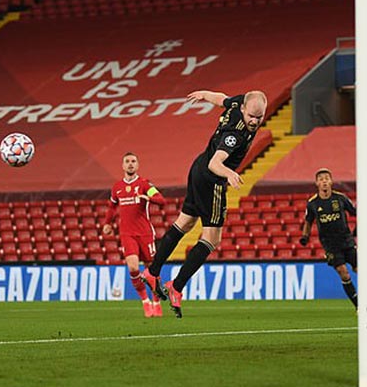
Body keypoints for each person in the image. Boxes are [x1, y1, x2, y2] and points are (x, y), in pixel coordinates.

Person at [141, 90, 267, 318]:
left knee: (185, 223)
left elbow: (221, 99)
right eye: (251, 116)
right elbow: (215, 163)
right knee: (212, 239)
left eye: (258, 118)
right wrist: (228, 173)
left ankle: (153, 271)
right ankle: (176, 286)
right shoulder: (235, 134)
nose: (254, 122)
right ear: (243, 110)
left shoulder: (240, 102)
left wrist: (204, 94)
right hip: (212, 178)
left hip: (197, 170)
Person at [102, 152, 166, 317]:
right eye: (127, 161)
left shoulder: (145, 184)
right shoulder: (117, 187)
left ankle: (156, 301)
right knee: (132, 267)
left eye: (133, 161)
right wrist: (107, 223)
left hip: (145, 233)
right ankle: (145, 301)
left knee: (152, 271)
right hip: (127, 233)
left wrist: (148, 197)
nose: (130, 164)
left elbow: (161, 200)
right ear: (123, 166)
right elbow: (111, 207)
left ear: (137, 165)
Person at [299, 168, 358, 309]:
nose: (324, 181)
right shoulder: (312, 203)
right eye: (321, 179)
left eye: (326, 178)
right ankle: (358, 305)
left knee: (359, 269)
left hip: (347, 241)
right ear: (317, 184)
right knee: (343, 273)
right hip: (330, 245)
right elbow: (308, 221)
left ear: (331, 182)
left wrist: (357, 231)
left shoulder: (341, 198)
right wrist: (305, 236)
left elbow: (356, 213)